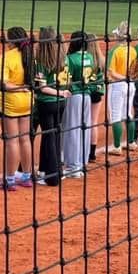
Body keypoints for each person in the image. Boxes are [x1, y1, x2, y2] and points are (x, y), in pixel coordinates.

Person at [0, 27, 35, 190]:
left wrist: (19, 88)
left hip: (11, 103)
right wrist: (24, 88)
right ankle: (26, 177)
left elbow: (4, 84)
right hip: (27, 101)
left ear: (11, 41)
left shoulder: (7, 57)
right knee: (25, 139)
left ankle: (10, 179)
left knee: (11, 141)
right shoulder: (29, 55)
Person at [33, 27, 70, 185]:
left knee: (49, 137)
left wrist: (58, 93)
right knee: (55, 134)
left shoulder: (42, 60)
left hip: (47, 103)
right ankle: (51, 171)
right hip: (61, 102)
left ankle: (52, 177)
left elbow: (43, 88)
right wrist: (61, 93)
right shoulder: (64, 58)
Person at [63, 31, 94, 178]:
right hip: (87, 96)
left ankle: (73, 167)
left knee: (72, 130)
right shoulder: (90, 57)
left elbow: (67, 81)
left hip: (74, 96)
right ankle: (82, 163)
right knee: (84, 129)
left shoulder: (70, 59)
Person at [105, 21, 138, 154]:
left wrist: (123, 77)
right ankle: (131, 142)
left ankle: (117, 146)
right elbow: (136, 68)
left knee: (115, 116)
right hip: (131, 85)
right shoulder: (133, 50)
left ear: (118, 36)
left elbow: (110, 73)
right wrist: (129, 78)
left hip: (117, 86)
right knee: (128, 114)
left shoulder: (114, 51)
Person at [85, 34, 106, 162]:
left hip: (87, 92)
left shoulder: (85, 59)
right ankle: (92, 153)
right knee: (93, 122)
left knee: (83, 122)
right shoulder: (101, 59)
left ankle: (82, 151)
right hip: (98, 92)